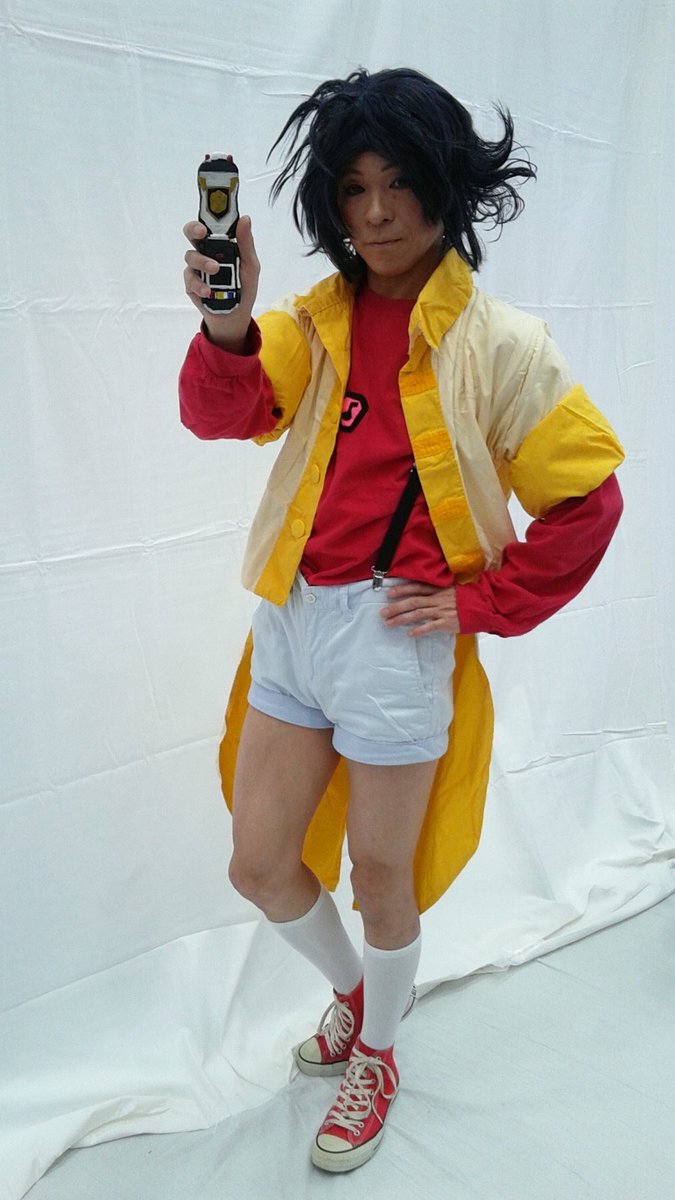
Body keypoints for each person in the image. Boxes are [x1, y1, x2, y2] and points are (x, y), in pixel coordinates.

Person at [179, 67, 624, 1174]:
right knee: (259, 862)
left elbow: (587, 499)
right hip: (293, 620)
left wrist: (480, 602)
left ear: (445, 185)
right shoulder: (314, 321)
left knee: (382, 878)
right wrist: (226, 321)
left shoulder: (502, 342)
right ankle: (357, 996)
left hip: (395, 633)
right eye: (352, 188)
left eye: (399, 183)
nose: (375, 213)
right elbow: (226, 411)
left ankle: (376, 1051)